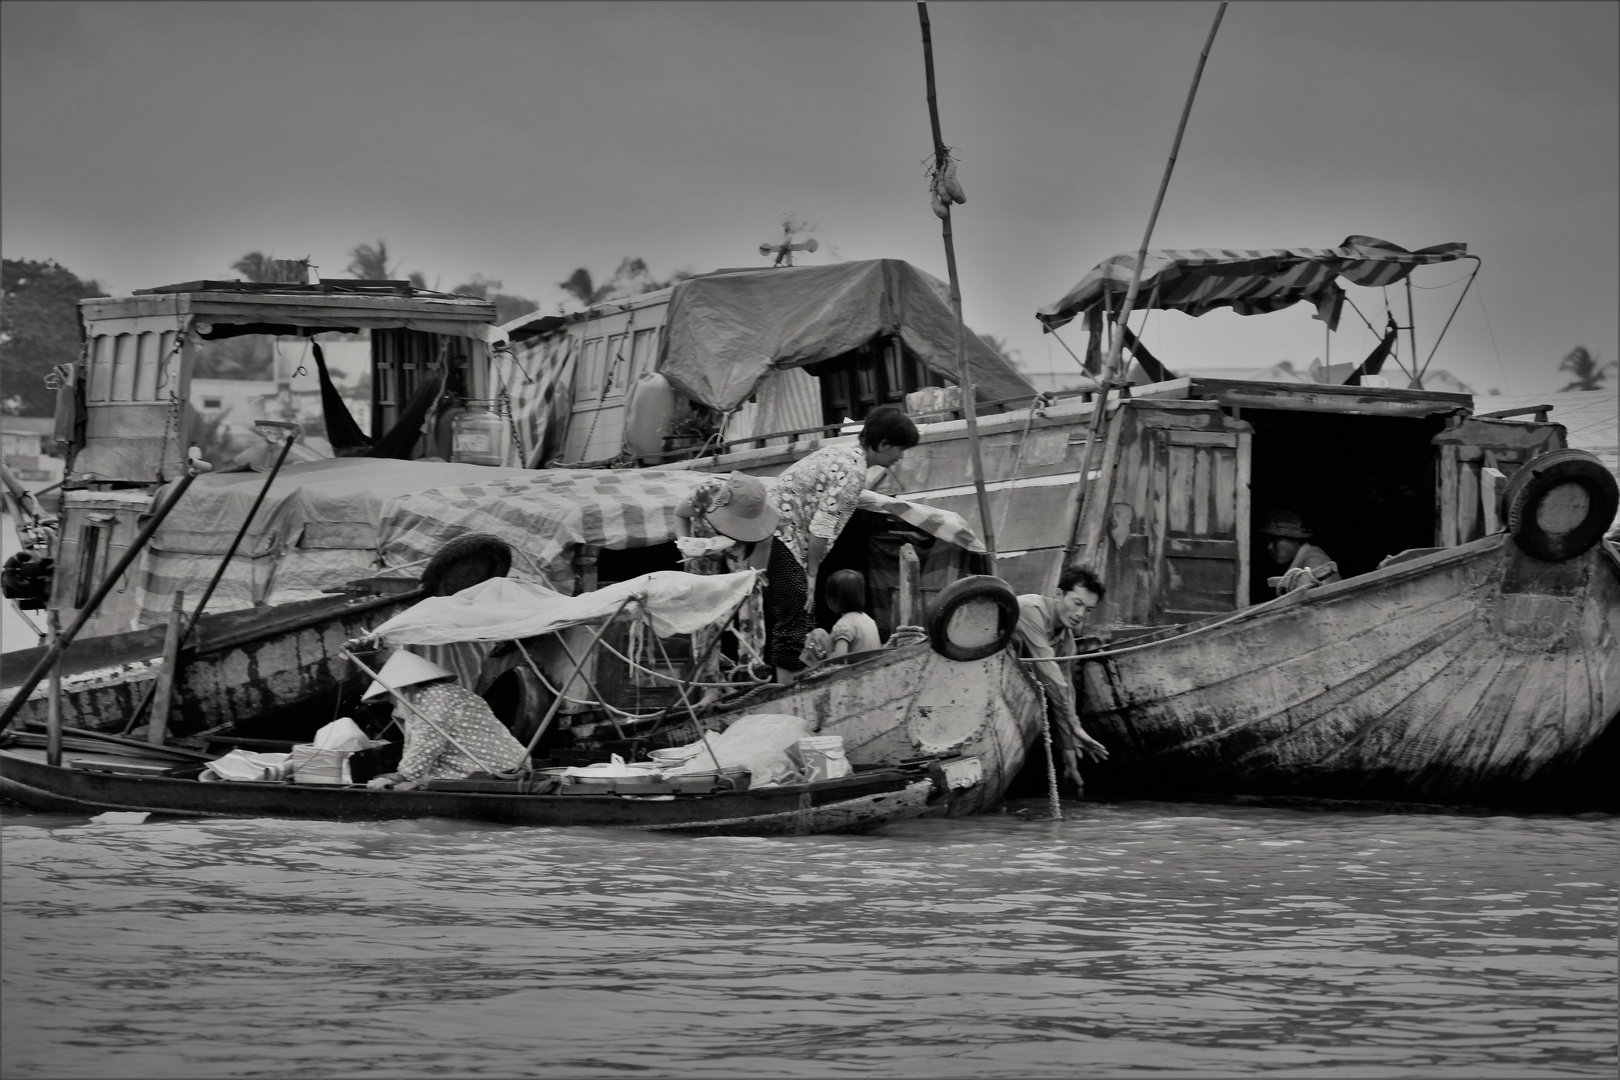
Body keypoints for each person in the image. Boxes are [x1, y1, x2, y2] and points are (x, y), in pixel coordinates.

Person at [765, 404, 920, 683]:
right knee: (796, 607)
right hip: (782, 534)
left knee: (803, 614)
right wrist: (812, 574)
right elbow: (821, 527)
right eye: (900, 448)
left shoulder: (844, 453)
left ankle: (798, 680)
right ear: (883, 444)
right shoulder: (853, 471)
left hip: (776, 530)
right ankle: (785, 690)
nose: (901, 456)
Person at [362, 649, 529, 790]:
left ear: (405, 688)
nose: (391, 701)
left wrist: (399, 777)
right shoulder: (448, 693)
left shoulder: (433, 698)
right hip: (513, 764)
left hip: (492, 772)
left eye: (391, 695)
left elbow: (427, 742)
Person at [672, 472, 778, 689]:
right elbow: (679, 514)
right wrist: (684, 543)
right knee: (704, 604)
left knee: (751, 596)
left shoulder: (765, 515)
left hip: (738, 546)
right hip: (702, 546)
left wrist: (748, 582)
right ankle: (708, 680)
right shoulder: (706, 494)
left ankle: (749, 672)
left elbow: (756, 568)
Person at [1013, 565, 1111, 794]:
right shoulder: (1030, 609)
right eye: (1077, 603)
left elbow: (1062, 697)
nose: (1080, 614)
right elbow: (1049, 670)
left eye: (1088, 610)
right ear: (1059, 594)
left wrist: (1070, 762)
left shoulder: (1067, 643)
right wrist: (1075, 725)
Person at [802, 569, 883, 665]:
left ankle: (807, 672)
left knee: (817, 634)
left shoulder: (844, 625)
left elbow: (840, 657)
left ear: (834, 600)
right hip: (872, 669)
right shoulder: (869, 620)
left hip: (853, 674)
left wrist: (823, 663)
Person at [1260, 510, 1340, 597]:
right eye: (1268, 541)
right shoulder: (1303, 560)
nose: (1270, 547)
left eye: (1275, 540)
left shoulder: (1315, 560)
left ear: (1295, 539)